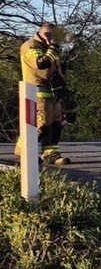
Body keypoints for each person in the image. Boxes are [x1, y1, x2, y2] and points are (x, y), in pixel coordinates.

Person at [17, 22, 70, 165]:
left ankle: (50, 154)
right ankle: (24, 150)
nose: (53, 39)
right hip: (38, 91)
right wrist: (52, 48)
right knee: (42, 124)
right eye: (51, 35)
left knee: (56, 124)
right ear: (43, 34)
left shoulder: (49, 48)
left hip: (54, 91)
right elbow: (41, 64)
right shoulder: (31, 45)